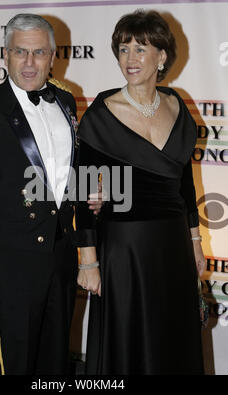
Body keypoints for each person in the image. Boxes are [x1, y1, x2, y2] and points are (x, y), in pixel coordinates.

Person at [0, 13, 101, 375]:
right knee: (15, 360)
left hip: (60, 253)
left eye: (39, 53)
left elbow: (72, 174)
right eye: (20, 52)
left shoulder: (65, 99)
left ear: (53, 56)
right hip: (10, 255)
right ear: (5, 55)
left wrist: (85, 244)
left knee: (55, 355)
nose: (30, 63)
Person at [74, 9, 206, 374]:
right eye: (123, 49)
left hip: (173, 247)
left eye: (140, 49)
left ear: (162, 56)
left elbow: (184, 183)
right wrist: (88, 261)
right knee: (126, 345)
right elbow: (83, 192)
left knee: (171, 340)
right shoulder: (102, 113)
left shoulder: (178, 107)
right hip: (123, 250)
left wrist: (195, 241)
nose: (130, 59)